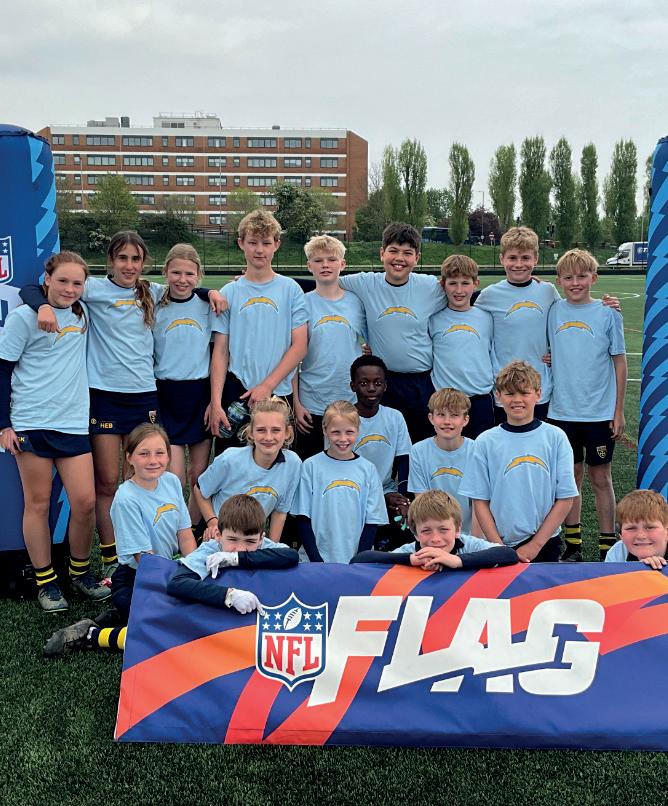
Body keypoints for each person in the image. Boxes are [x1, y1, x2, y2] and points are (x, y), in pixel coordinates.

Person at [19, 232, 224, 577]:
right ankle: (112, 557)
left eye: (136, 259)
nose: (129, 265)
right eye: (122, 258)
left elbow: (186, 290)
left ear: (144, 264)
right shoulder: (94, 289)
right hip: (104, 397)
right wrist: (42, 305)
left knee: (147, 476)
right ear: (111, 261)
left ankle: (154, 549)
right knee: (107, 483)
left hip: (144, 397)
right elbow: (33, 289)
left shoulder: (152, 292)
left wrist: (211, 292)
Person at [0, 252, 109, 611]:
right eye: (62, 280)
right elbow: (2, 370)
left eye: (77, 283)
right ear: (47, 280)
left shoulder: (83, 313)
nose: (70, 289)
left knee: (85, 502)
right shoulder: (23, 317)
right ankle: (46, 582)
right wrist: (4, 424)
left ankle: (79, 573)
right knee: (38, 503)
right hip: (31, 421)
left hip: (73, 423)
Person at [42, 422, 197, 656]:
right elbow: (145, 560)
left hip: (168, 570)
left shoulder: (172, 482)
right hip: (137, 578)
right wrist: (180, 586)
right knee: (170, 630)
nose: (153, 460)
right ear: (129, 457)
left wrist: (194, 571)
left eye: (159, 453)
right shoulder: (126, 498)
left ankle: (120, 615)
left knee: (192, 612)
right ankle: (91, 634)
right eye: (144, 453)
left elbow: (185, 535)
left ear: (169, 455)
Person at [547, 249, 627, 561]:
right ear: (559, 281)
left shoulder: (608, 313)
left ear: (594, 278)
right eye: (568, 277)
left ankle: (608, 547)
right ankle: (574, 546)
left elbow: (620, 362)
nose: (575, 282)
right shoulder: (553, 310)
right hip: (562, 412)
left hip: (598, 413)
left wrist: (618, 410)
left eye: (582, 276)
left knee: (601, 478)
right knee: (571, 478)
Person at [459, 361, 578, 563]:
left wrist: (535, 545)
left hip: (545, 542)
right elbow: (480, 501)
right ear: (498, 396)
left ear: (538, 394)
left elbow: (565, 498)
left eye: (524, 393)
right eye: (510, 393)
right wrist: (498, 547)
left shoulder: (555, 437)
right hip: (498, 543)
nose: (517, 400)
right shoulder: (485, 442)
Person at [208, 210, 308, 451]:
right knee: (232, 464)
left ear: (277, 244)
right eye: (252, 242)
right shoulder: (230, 292)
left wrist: (267, 386)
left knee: (276, 463)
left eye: (266, 243)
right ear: (241, 243)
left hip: (277, 392)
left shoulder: (291, 290)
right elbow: (220, 351)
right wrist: (216, 402)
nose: (259, 250)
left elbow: (299, 346)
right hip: (237, 391)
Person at [339, 222, 447, 442]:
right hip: (383, 382)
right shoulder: (365, 283)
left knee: (420, 444)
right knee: (385, 443)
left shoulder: (429, 287)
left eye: (407, 253)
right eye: (393, 251)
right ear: (382, 253)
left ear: (417, 258)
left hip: (421, 383)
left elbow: (463, 294)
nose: (400, 258)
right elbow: (326, 280)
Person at [153, 244, 214, 526]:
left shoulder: (208, 306)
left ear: (199, 275)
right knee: (173, 475)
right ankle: (173, 529)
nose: (182, 279)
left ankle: (193, 530)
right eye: (176, 272)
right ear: (165, 272)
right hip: (167, 394)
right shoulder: (153, 304)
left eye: (189, 274)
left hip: (199, 394)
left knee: (198, 474)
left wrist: (209, 293)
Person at [474, 227, 559, 423]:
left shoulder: (547, 291)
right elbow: (459, 307)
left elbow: (567, 319)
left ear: (535, 259)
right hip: (504, 388)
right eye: (512, 258)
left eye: (525, 258)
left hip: (539, 388)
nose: (519, 264)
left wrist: (558, 352)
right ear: (502, 259)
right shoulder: (489, 295)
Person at [292, 235, 367, 460]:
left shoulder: (356, 302)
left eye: (331, 259)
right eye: (318, 260)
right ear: (309, 266)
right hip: (311, 399)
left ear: (342, 264)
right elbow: (292, 356)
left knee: (345, 463)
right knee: (310, 465)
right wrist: (296, 402)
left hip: (348, 398)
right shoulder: (302, 302)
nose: (325, 265)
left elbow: (373, 340)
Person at [193, 397, 301, 543]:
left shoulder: (293, 463)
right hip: (219, 535)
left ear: (287, 433)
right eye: (261, 430)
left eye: (276, 430)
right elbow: (200, 490)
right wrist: (213, 523)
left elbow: (280, 512)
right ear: (250, 433)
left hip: (252, 540)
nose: (268, 437)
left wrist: (272, 548)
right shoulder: (230, 459)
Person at [292, 400, 387, 563]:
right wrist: (317, 562)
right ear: (324, 430)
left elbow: (372, 521)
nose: (343, 439)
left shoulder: (368, 469)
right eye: (336, 432)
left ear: (358, 430)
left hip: (355, 562)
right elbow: (303, 518)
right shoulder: (310, 466)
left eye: (349, 432)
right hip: (315, 562)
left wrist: (358, 562)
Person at [167, 494, 299, 610]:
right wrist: (229, 596)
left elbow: (291, 555)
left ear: (261, 539)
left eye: (250, 541)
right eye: (233, 539)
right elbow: (177, 583)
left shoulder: (263, 544)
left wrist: (236, 559)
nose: (240, 549)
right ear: (218, 535)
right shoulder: (211, 549)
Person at [351, 490, 517, 570]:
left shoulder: (468, 544)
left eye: (443, 529)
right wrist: (410, 560)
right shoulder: (411, 552)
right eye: (426, 531)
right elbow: (360, 559)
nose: (436, 539)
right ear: (415, 533)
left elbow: (508, 554)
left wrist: (456, 561)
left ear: (457, 528)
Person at [429, 255, 494, 438]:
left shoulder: (487, 317)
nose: (459, 290)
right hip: (445, 402)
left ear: (476, 284)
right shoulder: (433, 319)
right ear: (443, 284)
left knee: (480, 451)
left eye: (465, 283)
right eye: (453, 283)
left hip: (480, 400)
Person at [408, 388, 479, 535]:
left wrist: (473, 542)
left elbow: (479, 503)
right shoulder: (418, 451)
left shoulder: (477, 450)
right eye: (441, 415)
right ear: (431, 418)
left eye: (454, 415)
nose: (447, 421)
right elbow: (421, 501)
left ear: (465, 419)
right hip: (434, 535)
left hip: (469, 534)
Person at [605, 489, 668, 569]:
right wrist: (639, 570)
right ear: (621, 535)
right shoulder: (617, 552)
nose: (641, 536)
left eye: (650, 527)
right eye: (631, 528)